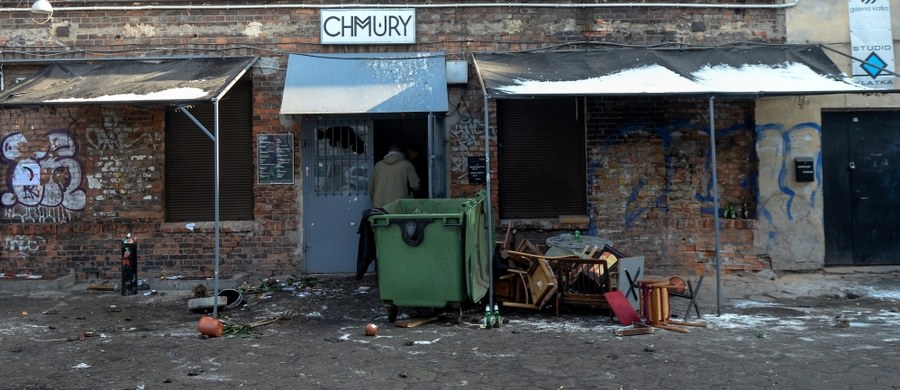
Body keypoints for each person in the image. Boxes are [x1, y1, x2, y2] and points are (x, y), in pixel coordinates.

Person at [369, 144, 421, 208]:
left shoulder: (378, 165)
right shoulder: (407, 165)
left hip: (380, 207)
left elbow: (371, 189)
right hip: (399, 206)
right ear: (402, 153)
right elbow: (415, 186)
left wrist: (376, 201)